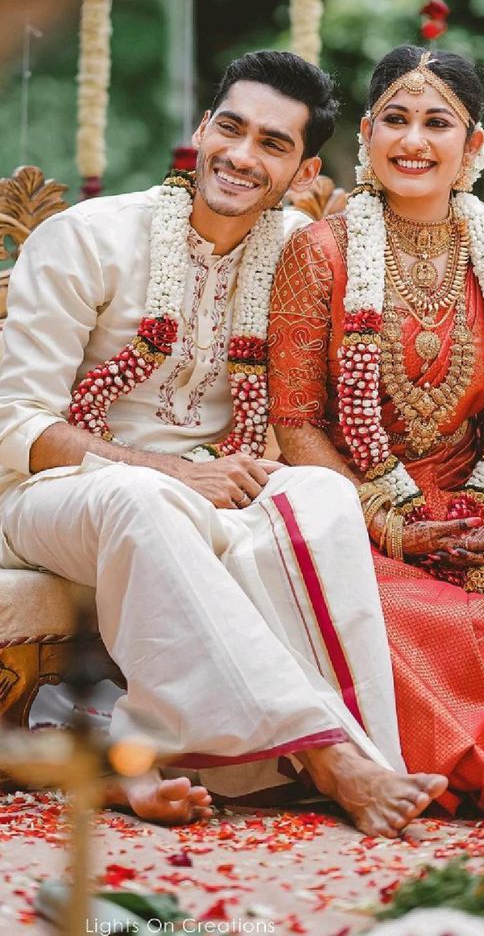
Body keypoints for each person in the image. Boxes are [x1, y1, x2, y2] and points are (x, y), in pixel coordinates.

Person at [0, 50, 453, 836]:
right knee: (139, 496)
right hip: (53, 499)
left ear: (304, 169)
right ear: (203, 128)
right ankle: (330, 760)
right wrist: (168, 470)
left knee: (319, 492)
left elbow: (412, 231)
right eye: (232, 129)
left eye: (273, 144)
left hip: (218, 489)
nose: (242, 156)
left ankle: (298, 747)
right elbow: (14, 424)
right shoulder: (90, 238)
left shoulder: (297, 249)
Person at [268, 45, 484, 815]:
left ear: (473, 146)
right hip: (360, 512)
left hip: (480, 504)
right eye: (395, 119)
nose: (414, 141)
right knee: (420, 620)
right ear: (365, 133)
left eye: (439, 123)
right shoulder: (318, 251)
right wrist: (389, 526)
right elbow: (294, 421)